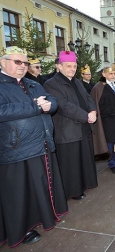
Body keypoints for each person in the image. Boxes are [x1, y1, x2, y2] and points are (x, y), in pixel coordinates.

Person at [0, 46, 68, 247]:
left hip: (40, 143)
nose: (22, 66)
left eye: (25, 63)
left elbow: (52, 99)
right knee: (19, 192)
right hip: (16, 147)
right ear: (3, 62)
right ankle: (22, 229)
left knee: (39, 185)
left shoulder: (31, 83)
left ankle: (43, 218)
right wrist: (35, 106)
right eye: (17, 62)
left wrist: (50, 105)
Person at [44, 51, 98, 200]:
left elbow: (88, 98)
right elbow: (63, 106)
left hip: (83, 126)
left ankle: (85, 184)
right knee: (71, 162)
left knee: (83, 158)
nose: (72, 69)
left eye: (74, 66)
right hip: (67, 129)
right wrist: (86, 116)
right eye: (69, 66)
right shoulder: (51, 84)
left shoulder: (77, 81)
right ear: (59, 66)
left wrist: (93, 110)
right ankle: (73, 191)